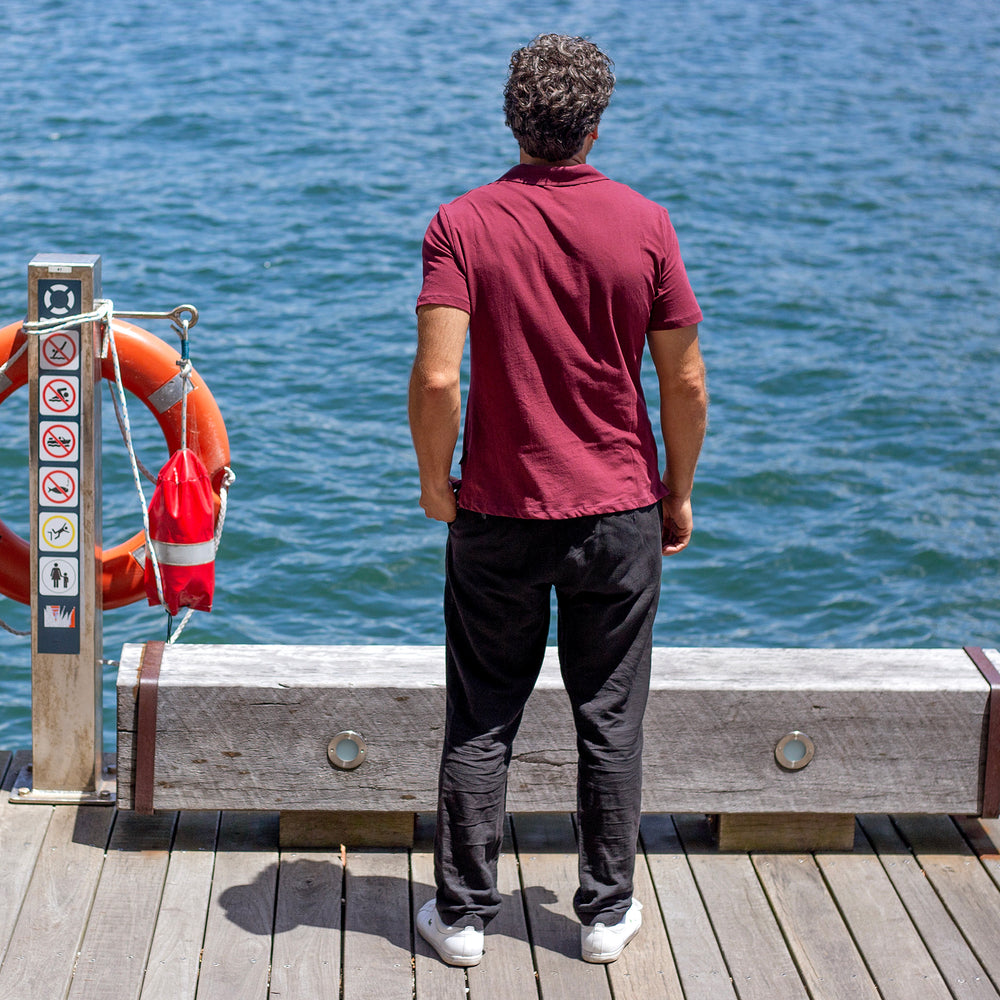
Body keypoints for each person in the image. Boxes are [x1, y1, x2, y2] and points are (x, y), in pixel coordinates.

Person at [408, 33, 707, 967]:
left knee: (483, 714)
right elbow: (686, 384)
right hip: (620, 511)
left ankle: (461, 918)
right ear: (597, 122)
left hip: (496, 508)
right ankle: (607, 913)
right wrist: (678, 494)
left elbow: (437, 379)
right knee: (610, 717)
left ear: (512, 116)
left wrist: (433, 481)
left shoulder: (461, 225)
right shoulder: (646, 224)